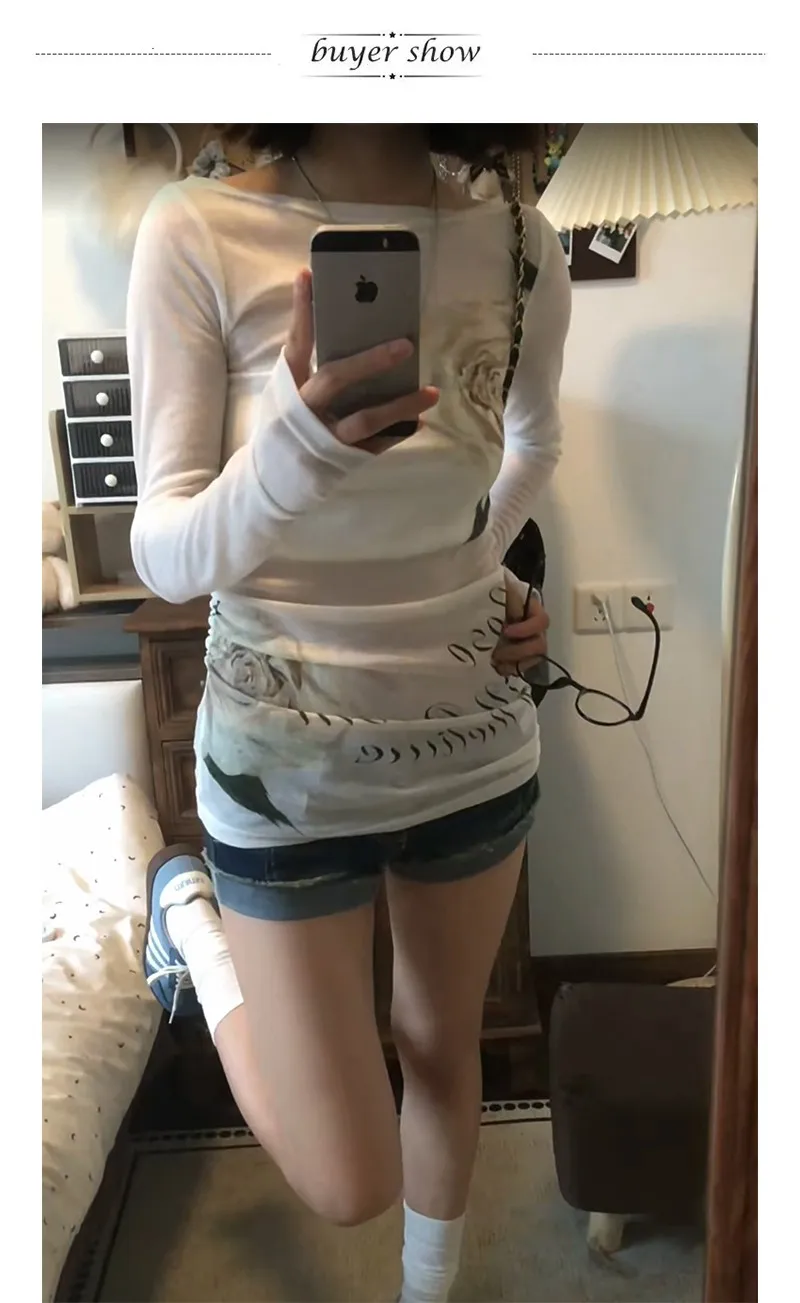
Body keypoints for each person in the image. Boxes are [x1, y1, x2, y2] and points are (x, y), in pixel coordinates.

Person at [129, 123, 571, 1302]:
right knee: (344, 1179)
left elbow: (531, 441)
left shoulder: (521, 240)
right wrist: (295, 445)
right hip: (284, 763)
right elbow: (164, 552)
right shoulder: (196, 227)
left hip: (473, 741)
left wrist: (479, 573)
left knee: (441, 1049)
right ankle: (191, 931)